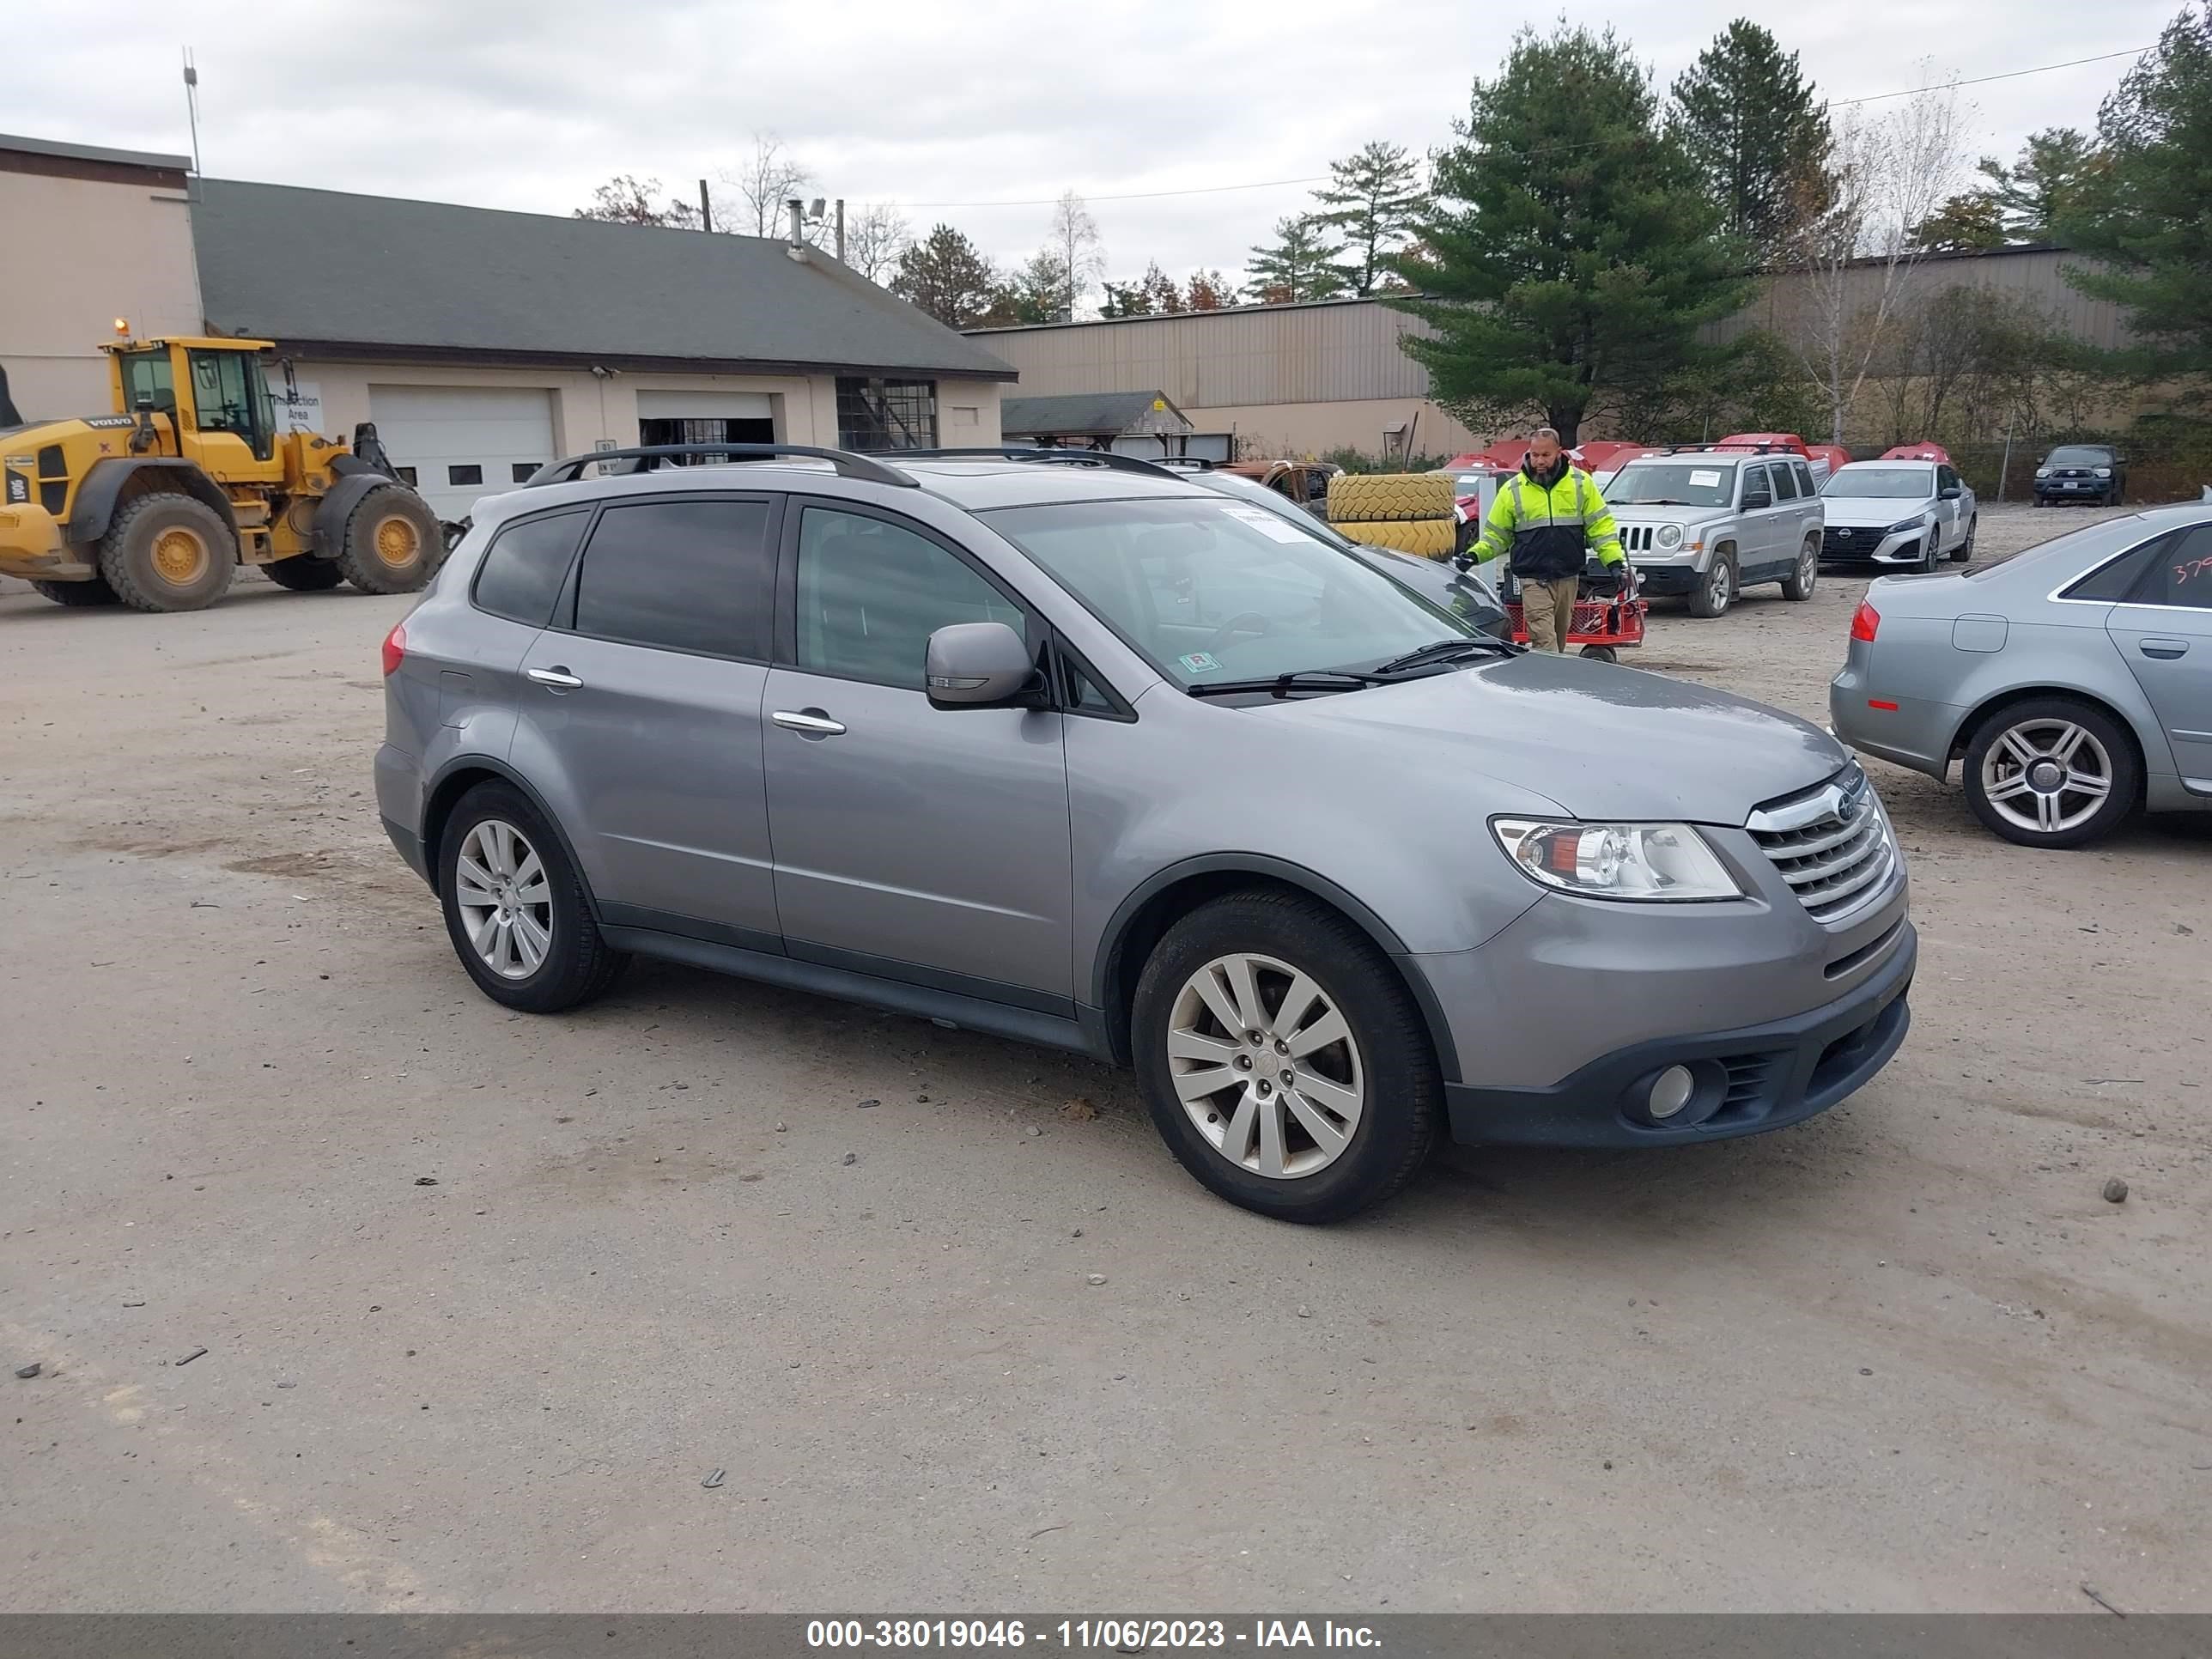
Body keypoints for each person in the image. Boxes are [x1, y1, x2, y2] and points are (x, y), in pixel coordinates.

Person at [1456, 428, 1625, 653]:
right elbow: (1497, 536)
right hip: (1533, 579)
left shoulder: (1580, 484)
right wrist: (1474, 555)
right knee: (1546, 643)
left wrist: (1614, 563)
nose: (1539, 461)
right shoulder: (1513, 489)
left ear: (1559, 452)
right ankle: (1551, 683)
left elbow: (1601, 528)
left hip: (1568, 577)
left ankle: (1547, 682)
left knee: (1559, 641)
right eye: (1535, 455)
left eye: (1545, 455)